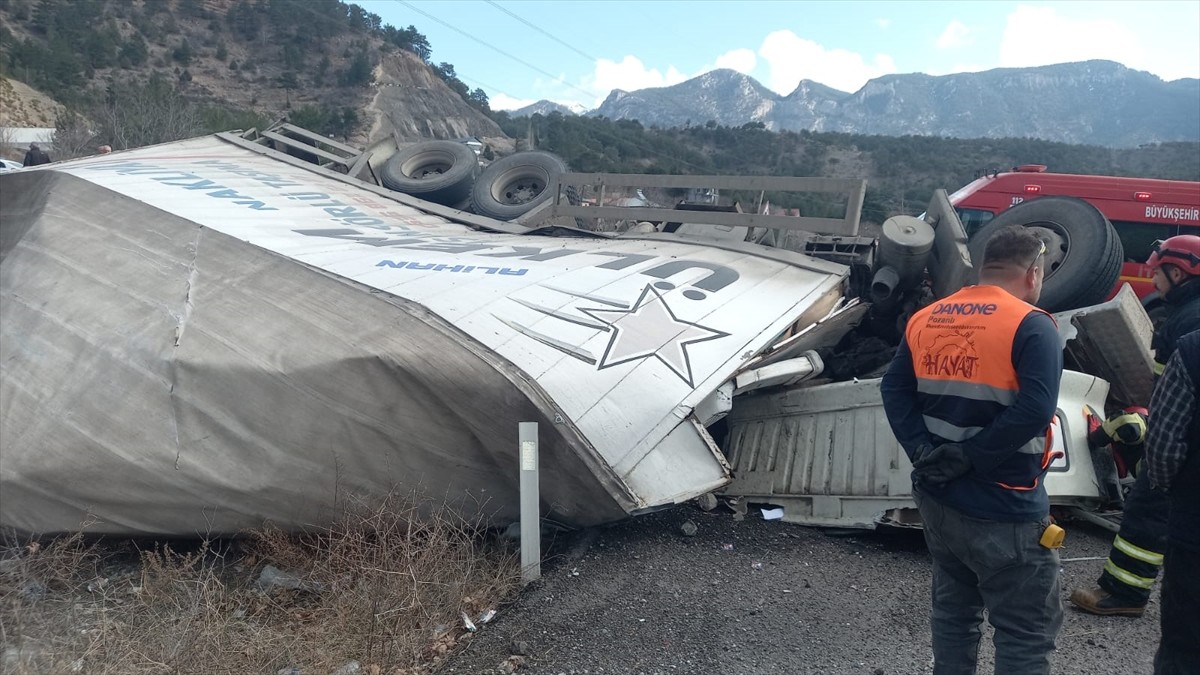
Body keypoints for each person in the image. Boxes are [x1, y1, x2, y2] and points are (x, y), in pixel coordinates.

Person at [882, 224, 1064, 675]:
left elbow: (894, 389)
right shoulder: (1032, 325)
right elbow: (1035, 409)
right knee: (1024, 632)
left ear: (985, 266)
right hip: (1005, 504)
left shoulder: (928, 317)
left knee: (954, 614)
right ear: (1034, 273)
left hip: (939, 499)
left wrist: (922, 450)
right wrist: (972, 456)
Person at [1070, 234, 1200, 617]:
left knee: (1146, 511)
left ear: (1178, 273)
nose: (1152, 278)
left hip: (1182, 442)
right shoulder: (1188, 312)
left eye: (1158, 271)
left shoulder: (1188, 320)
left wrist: (1160, 465)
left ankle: (1123, 593)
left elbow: (1176, 396)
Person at [1144, 329, 1199, 674]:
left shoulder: (1193, 351)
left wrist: (1172, 489)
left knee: (1185, 645)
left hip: (1194, 528)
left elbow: (1163, 444)